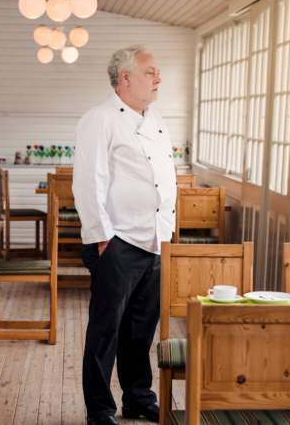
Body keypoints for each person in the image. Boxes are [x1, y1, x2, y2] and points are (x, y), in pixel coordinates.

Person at [73, 45, 176, 425]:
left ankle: (137, 398)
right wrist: (102, 239)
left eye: (158, 72)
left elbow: (162, 177)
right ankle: (100, 410)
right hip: (117, 242)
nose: (159, 79)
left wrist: (166, 230)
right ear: (126, 78)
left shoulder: (157, 119)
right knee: (106, 332)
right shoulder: (98, 119)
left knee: (140, 332)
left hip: (154, 241)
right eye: (151, 72)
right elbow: (88, 180)